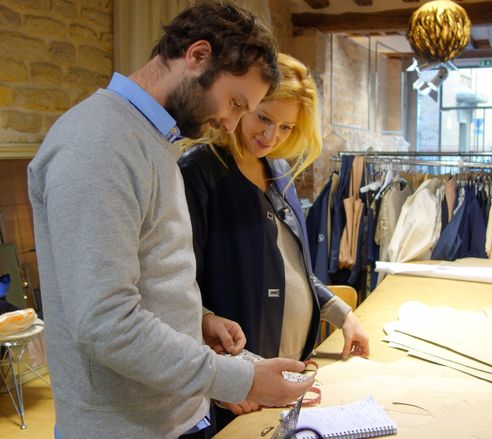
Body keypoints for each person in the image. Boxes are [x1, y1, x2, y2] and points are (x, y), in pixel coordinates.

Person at [27, 4, 314, 439]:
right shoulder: (101, 143)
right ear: (198, 56)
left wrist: (195, 318)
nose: (229, 122)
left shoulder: (151, 140)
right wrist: (242, 379)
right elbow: (105, 322)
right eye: (235, 103)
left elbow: (141, 273)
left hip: (172, 415)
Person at [178, 53, 370, 427]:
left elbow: (292, 267)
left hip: (287, 371)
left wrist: (343, 314)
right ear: (242, 105)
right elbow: (179, 288)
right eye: (264, 118)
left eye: (285, 127)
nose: (271, 136)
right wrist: (226, 375)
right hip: (239, 381)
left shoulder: (279, 170)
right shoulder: (200, 171)